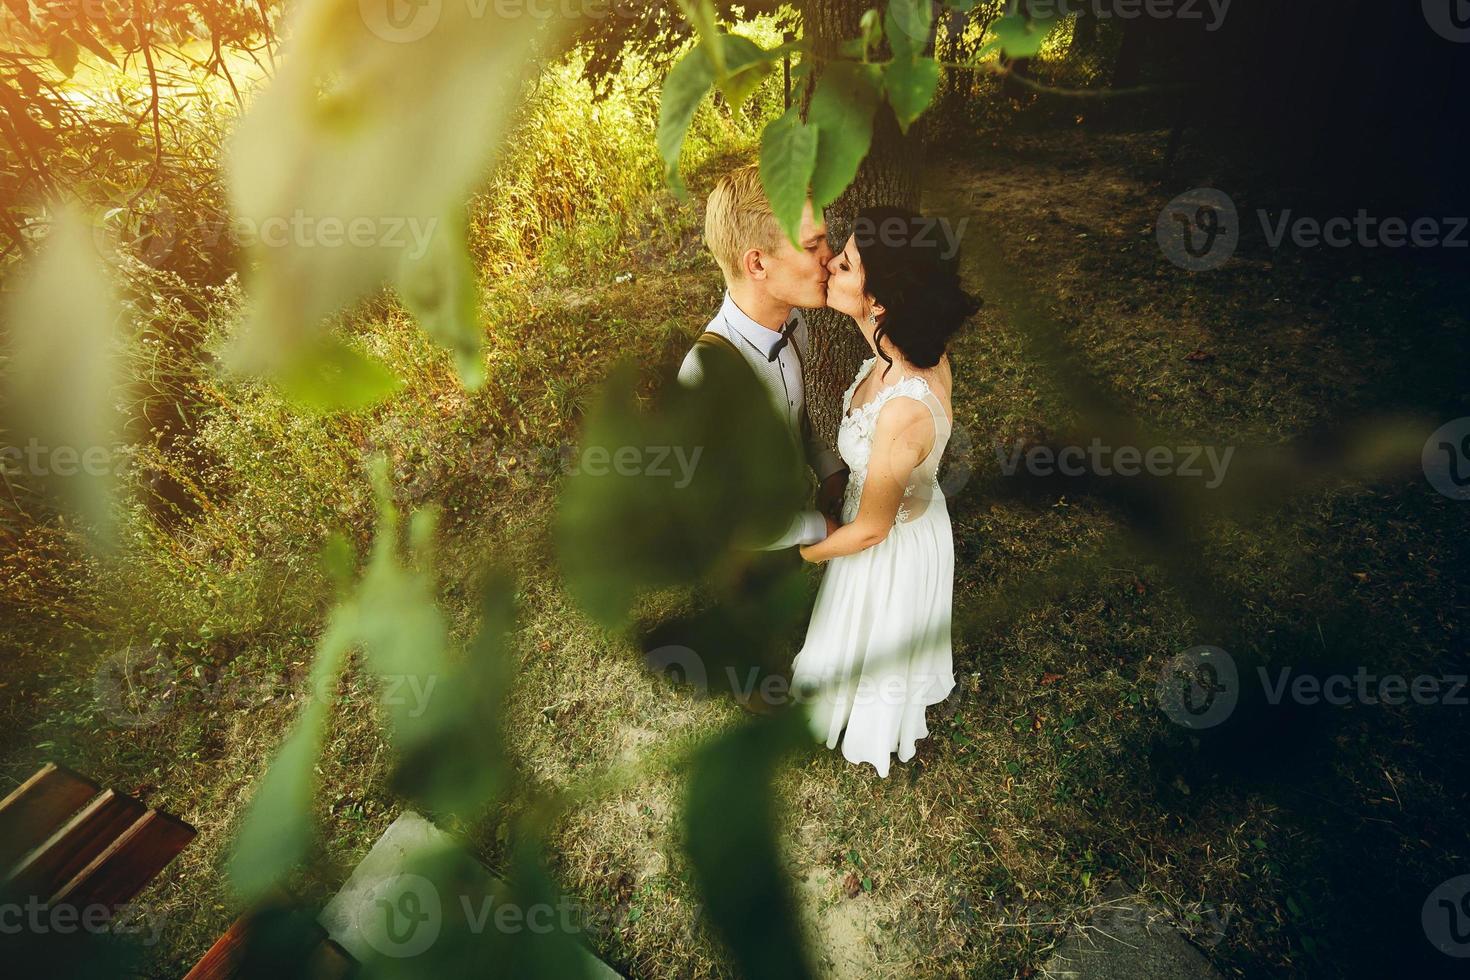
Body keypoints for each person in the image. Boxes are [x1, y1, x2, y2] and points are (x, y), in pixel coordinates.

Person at [791, 206, 980, 777]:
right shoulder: (894, 353)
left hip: (887, 544)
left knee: (873, 639)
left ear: (877, 302)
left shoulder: (903, 407)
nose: (829, 264)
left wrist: (804, 550)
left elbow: (872, 528)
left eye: (845, 264)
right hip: (887, 518)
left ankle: (870, 722)